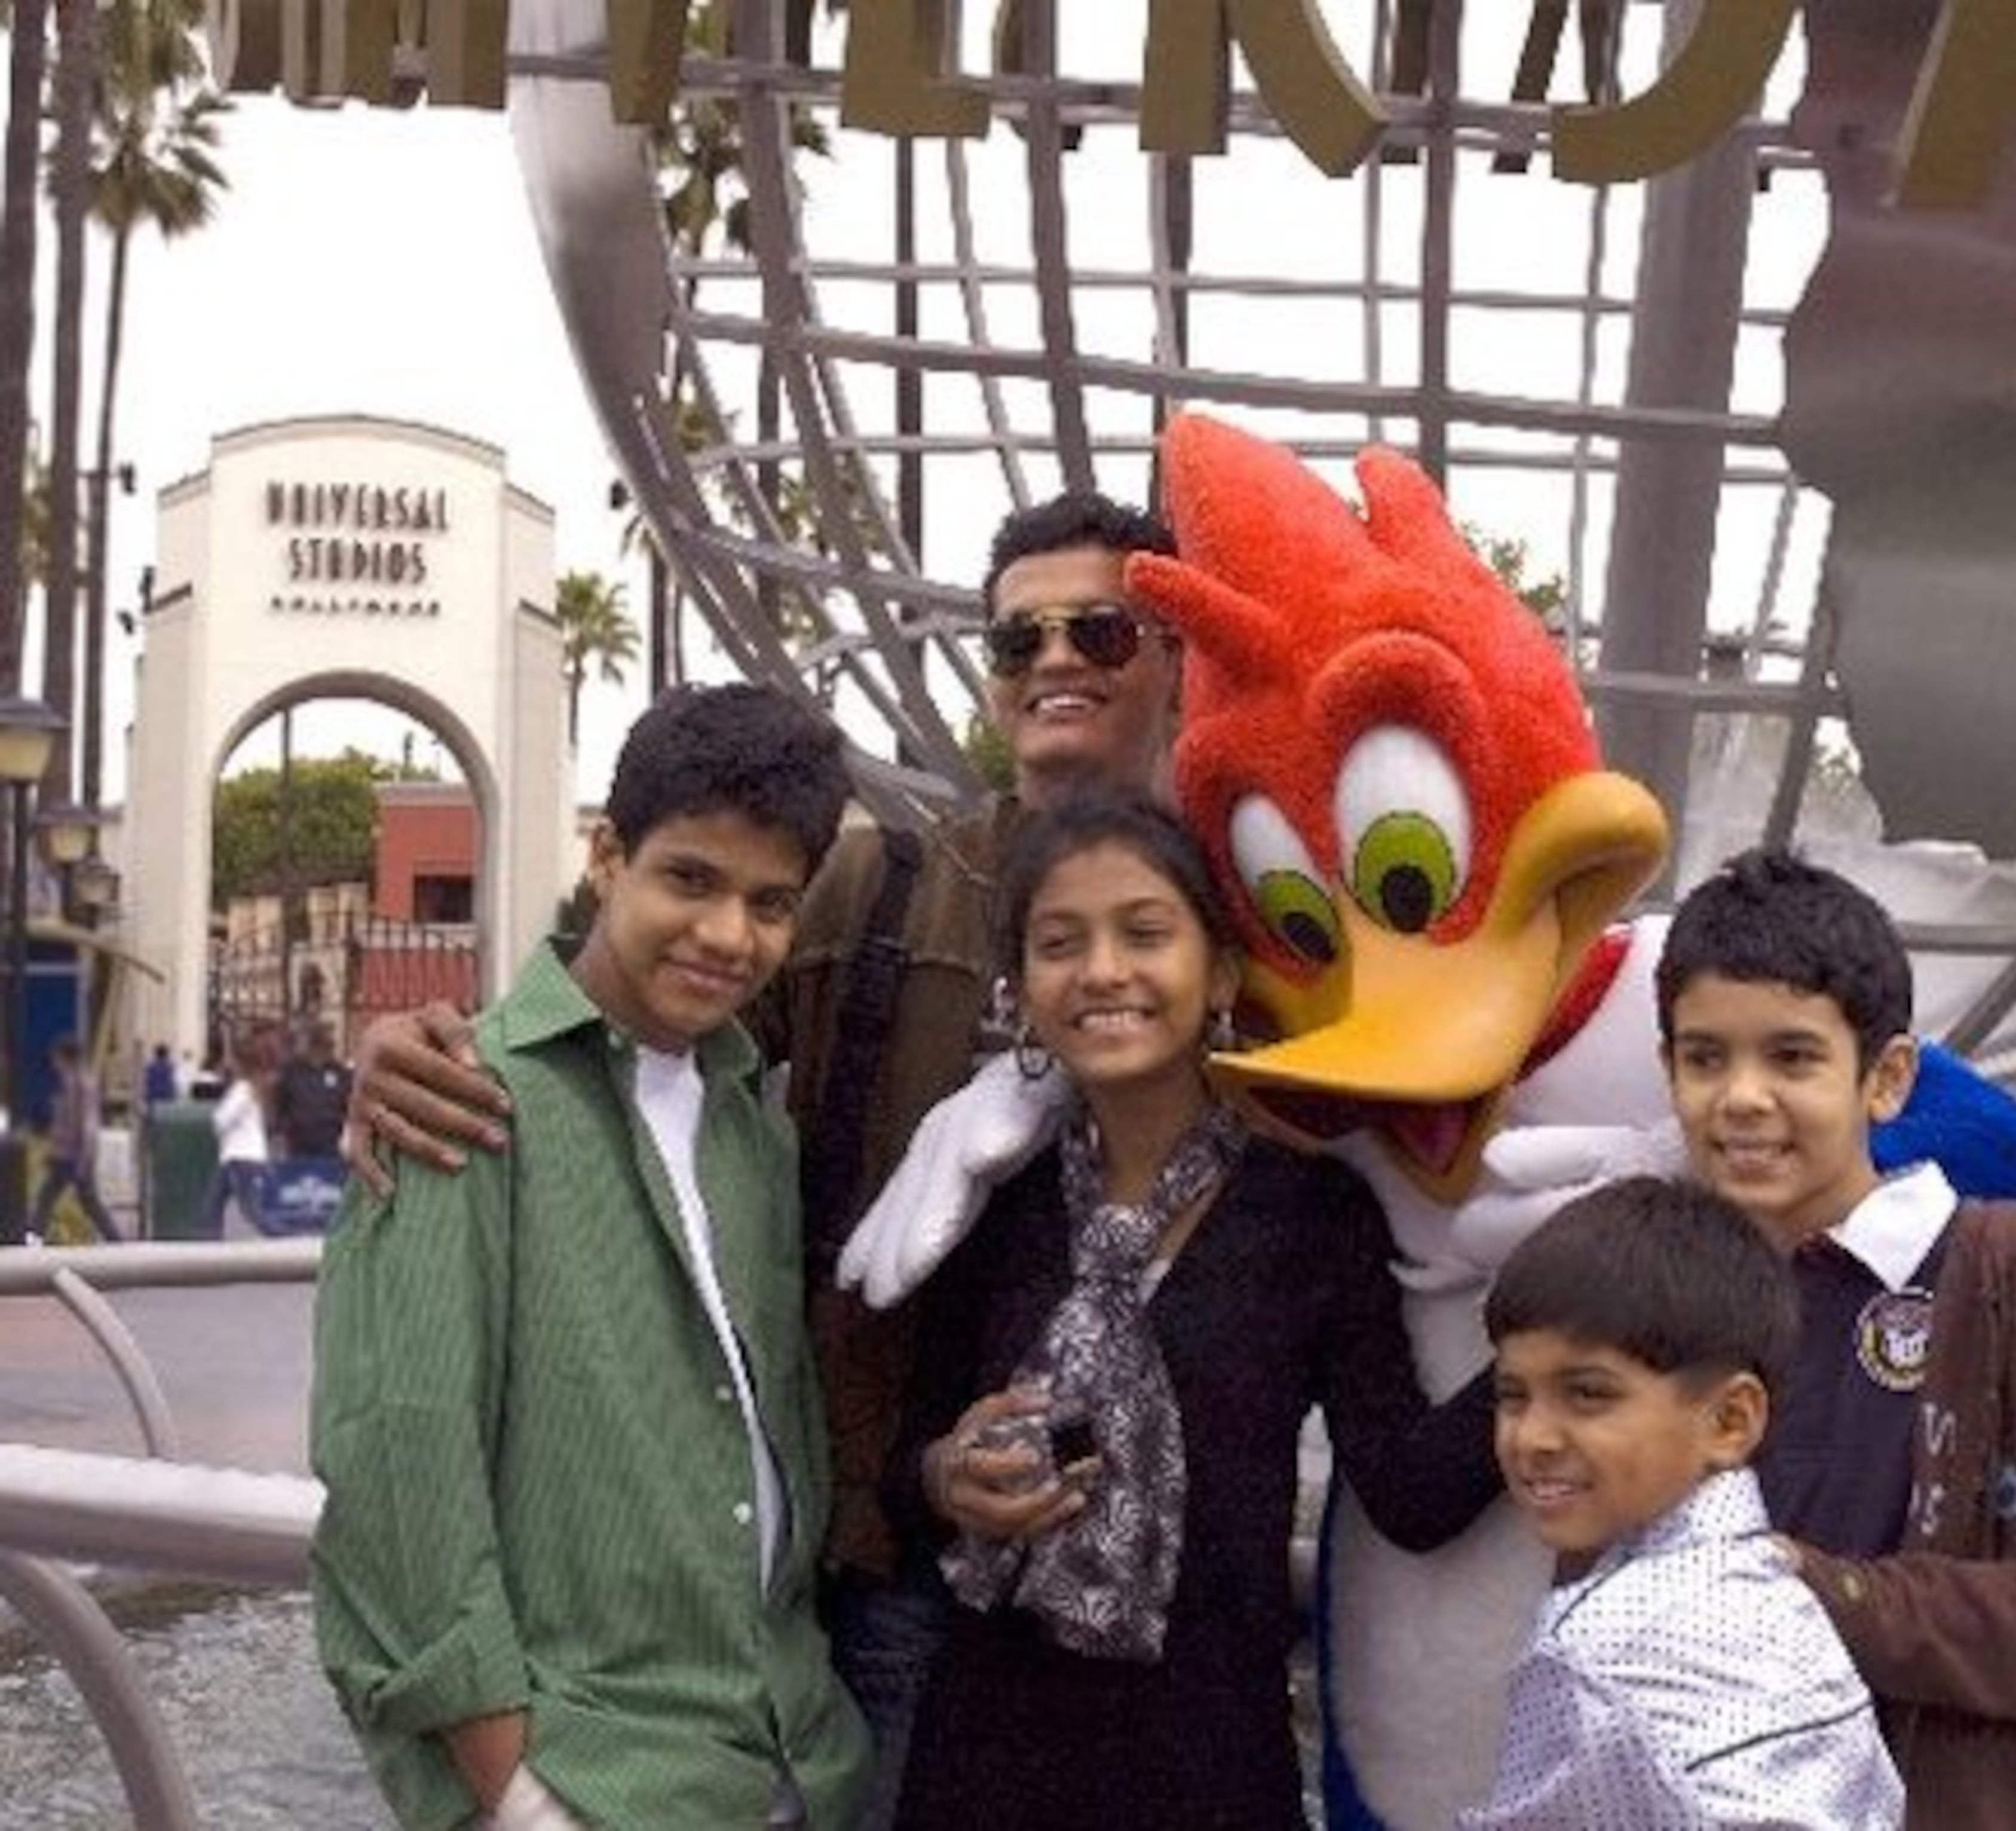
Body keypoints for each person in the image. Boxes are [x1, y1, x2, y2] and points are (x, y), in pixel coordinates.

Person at [338, 491, 1185, 1823]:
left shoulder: (1266, 919)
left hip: (1159, 1605)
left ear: (1178, 648)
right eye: (1022, 639)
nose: (1059, 659)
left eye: (1102, 627)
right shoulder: (878, 892)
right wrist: (420, 1043)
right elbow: (622, 1029)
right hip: (889, 1579)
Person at [878, 791, 1500, 1829]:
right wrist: (950, 1474)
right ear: (1023, 990)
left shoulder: (1313, 1212)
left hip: (1207, 1766)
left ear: (1217, 971)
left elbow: (1408, 1488)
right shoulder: (995, 1201)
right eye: (1059, 942)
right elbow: (908, 1472)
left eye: (1145, 932)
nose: (1103, 971)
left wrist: (1555, 1327)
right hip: (984, 1758)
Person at [309, 683, 871, 1830]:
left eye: (771, 902)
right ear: (609, 857)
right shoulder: (465, 1094)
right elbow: (401, 1455)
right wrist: (513, 1790)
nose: (728, 935)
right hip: (590, 1777)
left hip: (785, 1756)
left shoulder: (749, 1120)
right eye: (691, 879)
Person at [1653, 846, 2016, 1829]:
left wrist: (1836, 1591)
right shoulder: (1662, 1288)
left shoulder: (2012, 1282)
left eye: (1794, 1055)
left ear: (1887, 1076)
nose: (1742, 1097)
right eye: (1705, 1055)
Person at [1464, 1174, 1902, 1830]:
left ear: (1731, 1420)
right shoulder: (1775, 1591)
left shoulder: (1590, 1649)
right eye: (1512, 1395)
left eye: (1588, 1394)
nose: (1532, 1436)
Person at [30, 1036, 122, 1244]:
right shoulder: (74, 1082)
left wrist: (84, 1156)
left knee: (61, 1196)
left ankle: (35, 1236)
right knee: (66, 1196)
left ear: (65, 1058)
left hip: (72, 1155)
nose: (54, 1063)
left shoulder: (80, 1084)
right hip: (68, 1154)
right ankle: (114, 1238)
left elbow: (86, 1124)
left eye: (57, 1058)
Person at [200, 1032, 273, 1236]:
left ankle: (291, 1241)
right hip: (239, 1158)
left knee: (252, 1212)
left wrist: (216, 1119)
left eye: (231, 1059)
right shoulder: (250, 1089)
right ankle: (209, 1248)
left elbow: (222, 1120)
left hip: (240, 1158)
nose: (227, 1063)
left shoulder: (243, 1090)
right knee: (214, 1207)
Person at [274, 1019, 352, 1161]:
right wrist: (280, 1139)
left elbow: (349, 1108)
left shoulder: (341, 1073)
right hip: (298, 1146)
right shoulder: (291, 1072)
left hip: (331, 1147)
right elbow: (280, 1107)